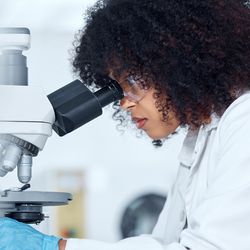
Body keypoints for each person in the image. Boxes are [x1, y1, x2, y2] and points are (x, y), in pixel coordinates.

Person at [1, 0, 250, 249]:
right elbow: (162, 242)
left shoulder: (244, 119)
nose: (123, 104)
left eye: (132, 82)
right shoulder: (200, 135)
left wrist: (55, 247)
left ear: (180, 63)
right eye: (118, 90)